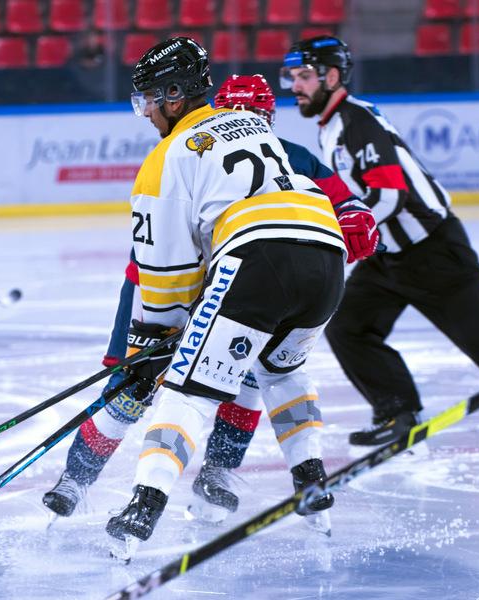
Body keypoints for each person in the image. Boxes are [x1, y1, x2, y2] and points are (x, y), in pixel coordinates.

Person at [42, 73, 379, 527]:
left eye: (254, 114)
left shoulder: (288, 155)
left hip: (239, 280)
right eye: (235, 111)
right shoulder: (190, 148)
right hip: (174, 280)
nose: (244, 120)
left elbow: (345, 203)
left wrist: (355, 216)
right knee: (132, 387)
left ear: (268, 118)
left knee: (247, 379)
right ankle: (75, 479)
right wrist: (161, 322)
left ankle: (217, 472)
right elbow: (156, 253)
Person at [101, 37, 349, 560]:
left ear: (173, 96)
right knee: (282, 373)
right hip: (326, 256)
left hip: (260, 259)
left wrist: (157, 340)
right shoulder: (252, 126)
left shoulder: (167, 156)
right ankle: (313, 487)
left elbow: (166, 271)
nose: (146, 113)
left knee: (188, 390)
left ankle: (141, 511)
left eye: (148, 100)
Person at [279, 36, 479, 458]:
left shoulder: (355, 120)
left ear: (331, 77)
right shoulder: (333, 126)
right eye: (291, 77)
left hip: (435, 256)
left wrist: (337, 233)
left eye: (304, 76)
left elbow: (389, 195)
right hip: (390, 258)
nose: (295, 86)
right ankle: (398, 413)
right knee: (349, 326)